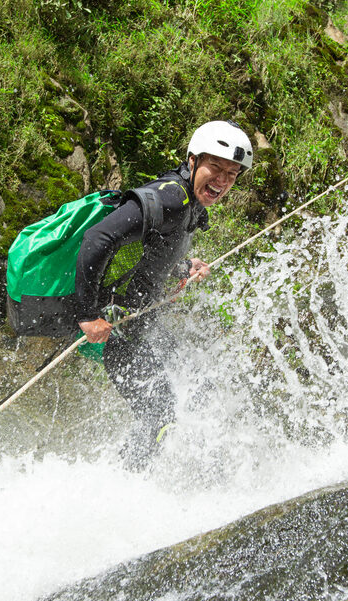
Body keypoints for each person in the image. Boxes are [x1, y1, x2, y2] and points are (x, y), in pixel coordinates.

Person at [73, 120, 254, 468]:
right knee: (162, 415)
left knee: (197, 386)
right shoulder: (171, 197)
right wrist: (86, 315)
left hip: (139, 328)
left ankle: (123, 470)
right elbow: (97, 239)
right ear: (192, 161)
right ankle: (127, 483)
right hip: (119, 333)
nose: (221, 181)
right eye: (214, 167)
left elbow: (150, 252)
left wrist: (184, 267)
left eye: (231, 174)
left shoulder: (189, 202)